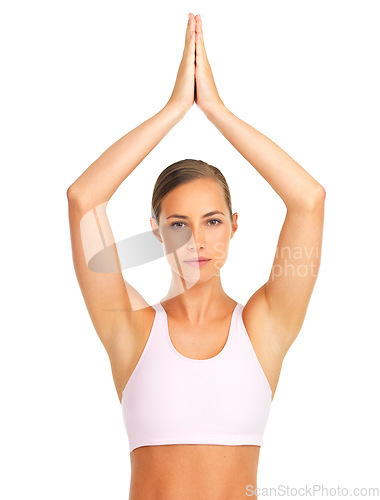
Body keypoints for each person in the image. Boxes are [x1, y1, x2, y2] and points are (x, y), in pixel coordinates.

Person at [67, 12, 325, 500]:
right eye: (177, 225)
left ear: (234, 226)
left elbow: (308, 199)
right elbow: (84, 199)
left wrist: (216, 110)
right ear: (157, 233)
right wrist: (173, 109)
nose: (197, 242)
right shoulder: (129, 326)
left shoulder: (264, 327)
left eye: (212, 221)